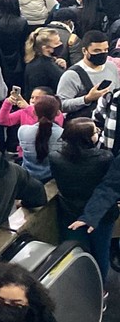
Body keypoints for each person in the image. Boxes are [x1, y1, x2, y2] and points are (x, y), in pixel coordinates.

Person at [51, 118, 116, 284]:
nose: (98, 132)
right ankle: (101, 288)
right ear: (87, 139)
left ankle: (80, 287)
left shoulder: (55, 157)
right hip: (102, 214)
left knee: (76, 254)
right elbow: (109, 186)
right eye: (95, 131)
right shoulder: (105, 158)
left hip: (70, 211)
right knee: (101, 252)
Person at [57, 30, 118, 119]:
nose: (102, 53)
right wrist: (87, 99)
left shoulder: (111, 67)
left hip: (109, 121)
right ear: (84, 51)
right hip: (84, 125)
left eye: (105, 50)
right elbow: (61, 105)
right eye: (97, 51)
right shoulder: (72, 75)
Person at [16, 95, 62, 182]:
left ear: (34, 112)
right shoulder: (63, 134)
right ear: (58, 113)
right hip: (52, 179)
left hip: (27, 178)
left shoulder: (23, 130)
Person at [23, 28, 66, 99]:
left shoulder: (51, 61)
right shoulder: (37, 67)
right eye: (56, 43)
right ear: (46, 48)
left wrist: (63, 68)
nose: (61, 44)